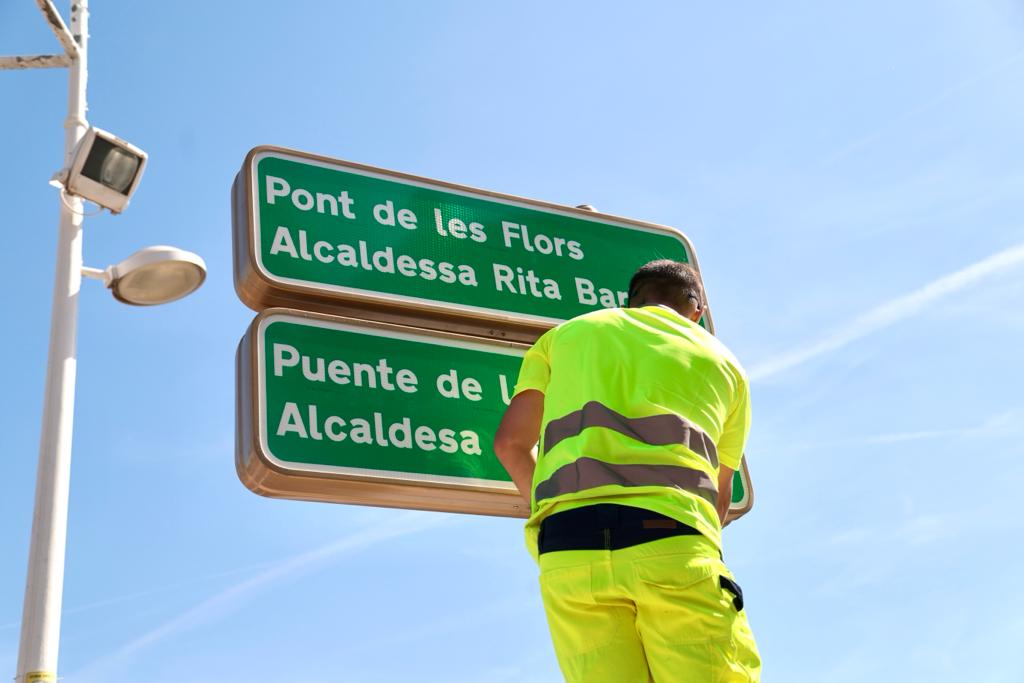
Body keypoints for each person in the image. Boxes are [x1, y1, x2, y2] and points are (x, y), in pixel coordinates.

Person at [494, 259, 761, 682]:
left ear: (631, 301)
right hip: (671, 539)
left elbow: (509, 444)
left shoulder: (565, 336)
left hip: (567, 546)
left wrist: (557, 511)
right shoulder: (726, 364)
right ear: (697, 309)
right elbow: (719, 495)